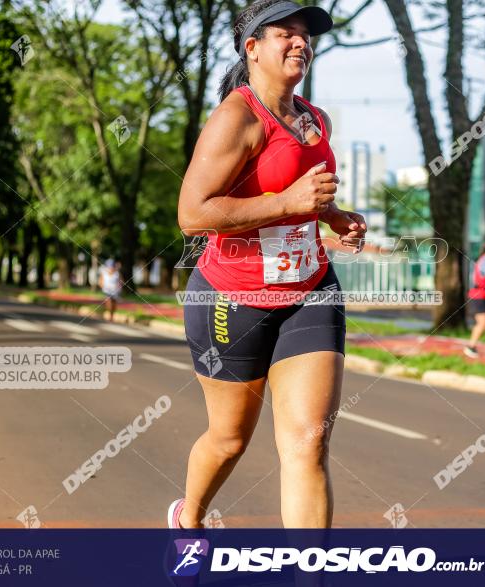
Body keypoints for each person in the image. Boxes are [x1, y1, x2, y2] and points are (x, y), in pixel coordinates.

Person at [169, 0, 366, 530]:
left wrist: (333, 216)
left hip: (309, 289)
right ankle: (189, 520)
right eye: (286, 33)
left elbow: (305, 197)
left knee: (308, 444)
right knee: (229, 439)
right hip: (231, 299)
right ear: (252, 48)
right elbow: (192, 215)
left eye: (306, 35)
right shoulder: (236, 117)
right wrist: (289, 203)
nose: (301, 42)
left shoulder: (313, 119)